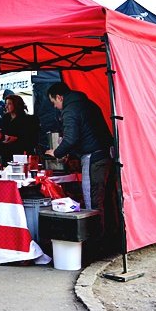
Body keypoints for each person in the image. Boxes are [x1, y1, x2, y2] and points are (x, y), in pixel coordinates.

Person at [45, 82, 114, 221]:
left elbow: (70, 138)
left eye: (53, 102)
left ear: (59, 97)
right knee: (106, 198)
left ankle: (95, 238)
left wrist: (57, 152)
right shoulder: (88, 103)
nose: (55, 107)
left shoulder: (71, 109)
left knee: (92, 201)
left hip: (93, 158)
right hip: (106, 155)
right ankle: (110, 233)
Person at [0, 94, 39, 162]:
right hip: (6, 152)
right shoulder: (5, 118)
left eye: (9, 104)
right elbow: (3, 131)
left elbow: (31, 139)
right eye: (6, 104)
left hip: (21, 152)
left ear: (16, 105)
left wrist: (16, 139)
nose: (6, 106)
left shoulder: (28, 119)